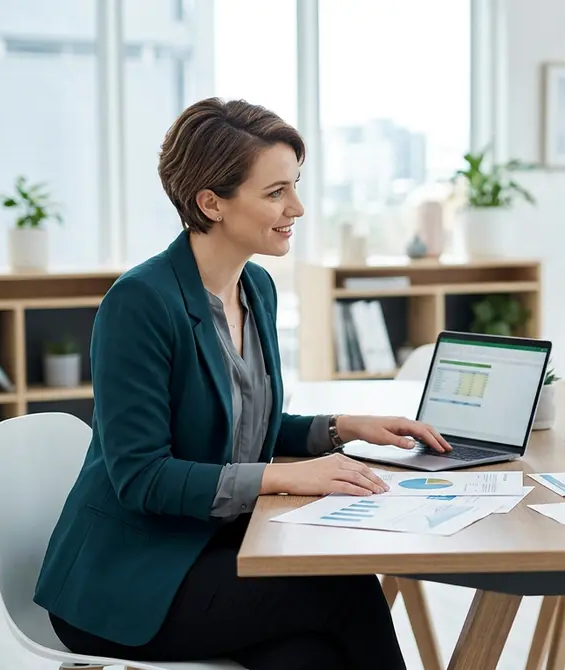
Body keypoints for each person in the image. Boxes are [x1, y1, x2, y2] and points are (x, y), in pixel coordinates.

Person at [34, 97, 450, 670]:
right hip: (130, 578)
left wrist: (341, 428)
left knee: (310, 656)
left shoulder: (257, 288)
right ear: (212, 203)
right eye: (276, 191)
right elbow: (142, 478)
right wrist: (289, 476)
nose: (297, 207)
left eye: (295, 186)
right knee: (344, 588)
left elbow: (237, 426)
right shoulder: (140, 304)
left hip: (218, 548)